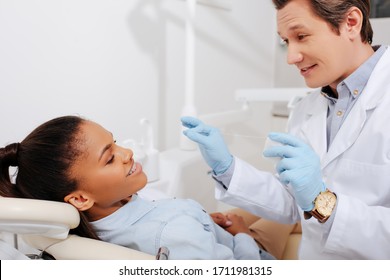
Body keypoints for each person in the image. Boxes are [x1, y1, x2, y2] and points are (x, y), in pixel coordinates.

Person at [181, 0, 390, 259]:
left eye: (301, 36)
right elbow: (293, 203)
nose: (292, 57)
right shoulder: (307, 108)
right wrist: (228, 169)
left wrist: (324, 204)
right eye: (286, 42)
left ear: (351, 23)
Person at [0, 115, 276, 260]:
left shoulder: (91, 224)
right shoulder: (174, 229)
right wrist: (243, 238)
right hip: (254, 255)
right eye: (109, 158)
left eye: (116, 142)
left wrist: (202, 222)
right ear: (80, 198)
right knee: (294, 218)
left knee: (265, 209)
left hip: (210, 232)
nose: (127, 152)